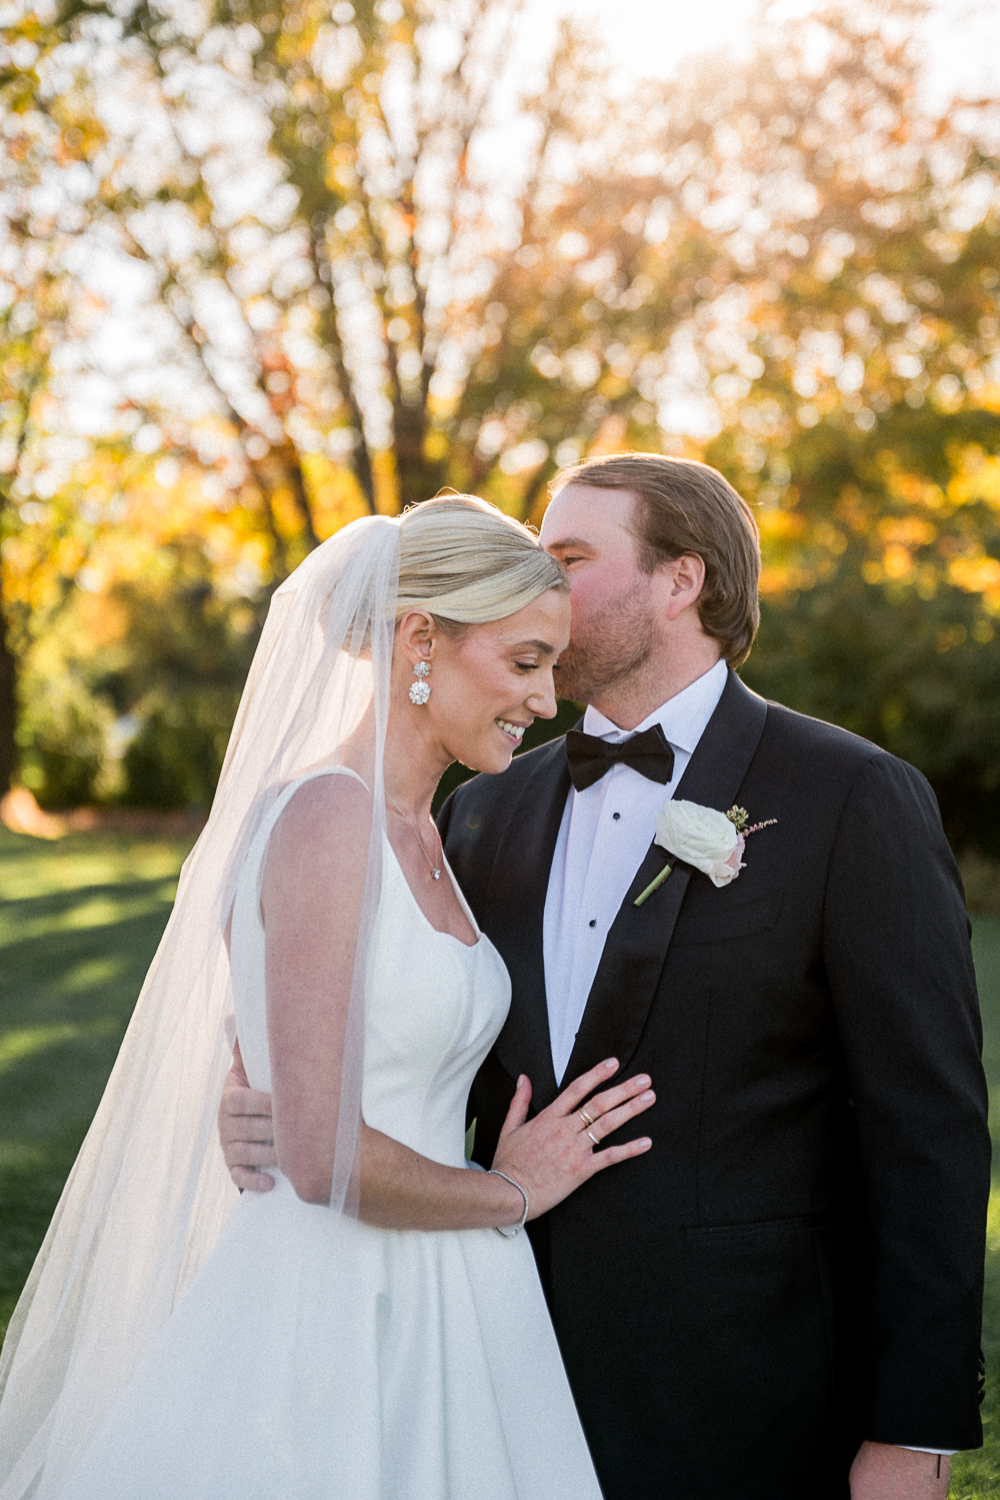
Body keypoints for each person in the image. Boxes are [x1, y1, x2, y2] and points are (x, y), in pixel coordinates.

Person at [222, 453, 991, 1500]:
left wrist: (912, 1429)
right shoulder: (482, 804)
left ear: (681, 581)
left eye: (571, 556)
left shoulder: (849, 797)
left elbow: (927, 1131)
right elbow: (402, 1021)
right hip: (487, 1352)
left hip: (746, 1394)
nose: (541, 577)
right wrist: (256, 1093)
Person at [0, 495, 660, 1500]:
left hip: (452, 1285)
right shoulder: (327, 818)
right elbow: (319, 1156)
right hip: (336, 1302)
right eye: (526, 661)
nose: (544, 699)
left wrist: (246, 1082)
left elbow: (279, 1047)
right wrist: (515, 1191)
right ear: (421, 639)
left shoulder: (428, 831)